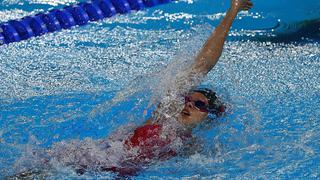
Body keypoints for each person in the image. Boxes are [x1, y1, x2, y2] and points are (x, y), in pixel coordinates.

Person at [11, 0, 253, 178]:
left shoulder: (192, 146)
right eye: (189, 98)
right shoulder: (165, 116)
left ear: (209, 116)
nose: (188, 104)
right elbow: (203, 65)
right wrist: (232, 11)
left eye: (199, 105)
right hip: (93, 158)